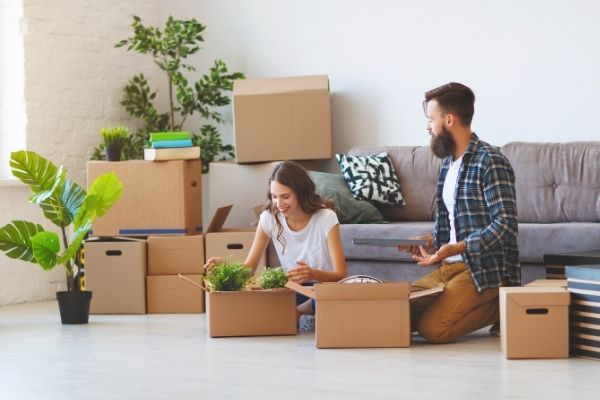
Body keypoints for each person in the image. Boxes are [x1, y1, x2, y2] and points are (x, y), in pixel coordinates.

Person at [400, 82, 520, 344]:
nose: (427, 127)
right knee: (396, 312)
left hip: (482, 270)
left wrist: (458, 248)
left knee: (432, 329)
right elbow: (455, 224)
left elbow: (506, 225)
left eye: (431, 119)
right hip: (449, 267)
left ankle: (504, 302)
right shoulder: (448, 162)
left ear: (450, 119)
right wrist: (429, 242)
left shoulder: (490, 161)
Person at [204, 161, 347, 316]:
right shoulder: (269, 218)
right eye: (274, 197)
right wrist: (224, 265)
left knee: (327, 299)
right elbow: (249, 269)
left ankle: (297, 312)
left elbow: (340, 275)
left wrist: (313, 274)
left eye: (285, 197)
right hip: (292, 289)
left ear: (301, 193)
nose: (279, 204)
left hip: (322, 288)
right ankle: (292, 312)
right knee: (263, 299)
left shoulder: (326, 217)